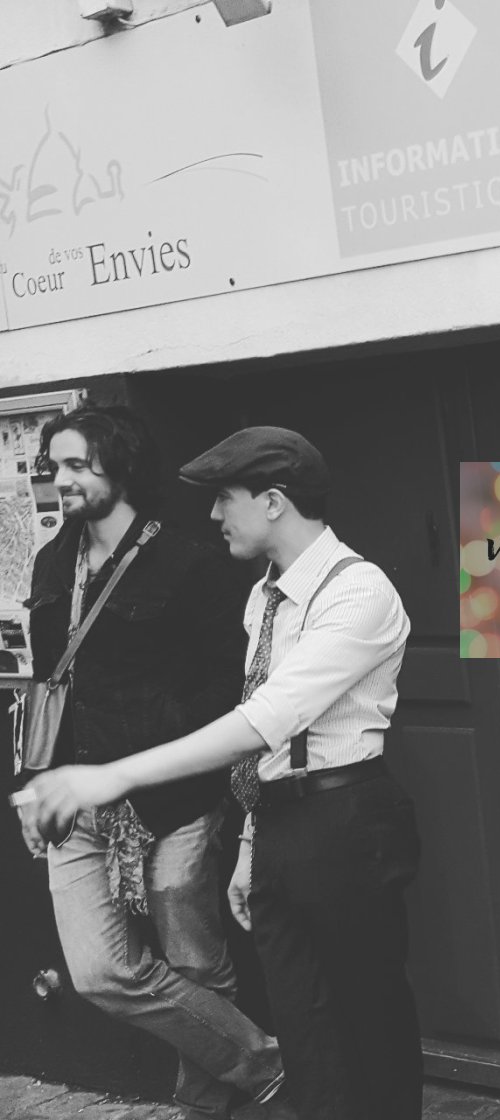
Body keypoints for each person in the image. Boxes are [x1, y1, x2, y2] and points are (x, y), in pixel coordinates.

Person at [26, 426, 423, 1120]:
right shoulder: (262, 596)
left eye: (225, 500)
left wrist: (109, 776)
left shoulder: (358, 592)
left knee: (369, 1020)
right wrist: (249, 848)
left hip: (347, 819)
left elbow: (263, 718)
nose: (213, 517)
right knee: (304, 1032)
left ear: (273, 502)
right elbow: (262, 750)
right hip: (279, 822)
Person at [16, 405, 288, 1120]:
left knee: (196, 962)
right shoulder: (50, 564)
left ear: (121, 466)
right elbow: (50, 684)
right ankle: (262, 1063)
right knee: (100, 972)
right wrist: (38, 786)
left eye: (78, 465)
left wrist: (144, 743)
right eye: (54, 467)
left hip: (174, 796)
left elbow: (227, 682)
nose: (61, 480)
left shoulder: (188, 562)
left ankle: (204, 1103)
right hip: (74, 798)